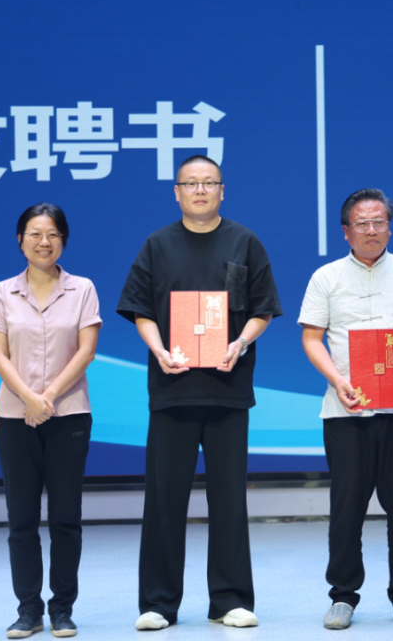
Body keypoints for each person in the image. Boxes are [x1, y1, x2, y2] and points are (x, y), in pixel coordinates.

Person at [117, 154, 282, 631]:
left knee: (228, 499)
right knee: (164, 499)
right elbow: (141, 310)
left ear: (222, 190)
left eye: (209, 182)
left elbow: (263, 309)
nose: (200, 190)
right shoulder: (157, 244)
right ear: (177, 192)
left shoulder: (244, 242)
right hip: (172, 388)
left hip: (228, 389)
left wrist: (240, 342)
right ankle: (158, 602)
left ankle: (229, 599)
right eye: (190, 183)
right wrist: (159, 350)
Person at [298, 188, 393, 630]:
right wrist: (337, 380)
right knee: (347, 506)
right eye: (361, 223)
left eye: (379, 221)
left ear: (389, 227)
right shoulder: (325, 277)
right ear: (346, 230)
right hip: (346, 410)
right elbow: (311, 337)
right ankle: (343, 596)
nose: (371, 230)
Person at [0, 203, 102, 639]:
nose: (43, 242)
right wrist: (30, 399)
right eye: (34, 234)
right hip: (14, 416)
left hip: (68, 414)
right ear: (20, 240)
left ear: (63, 241)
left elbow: (86, 351)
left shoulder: (82, 289)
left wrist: (47, 398)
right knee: (21, 519)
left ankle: (62, 609)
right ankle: (29, 610)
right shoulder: (2, 293)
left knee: (66, 517)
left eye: (52, 234)